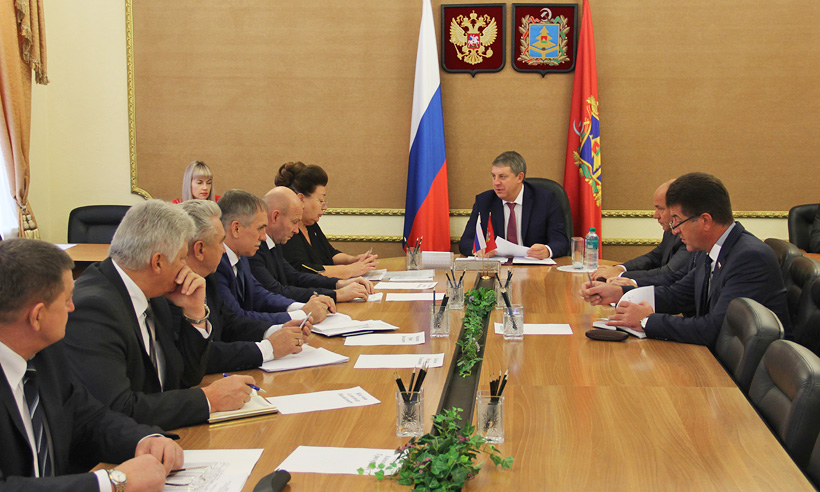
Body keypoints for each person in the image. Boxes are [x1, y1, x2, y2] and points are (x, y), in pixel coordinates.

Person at [0, 238, 184, 492]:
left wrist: (145, 439)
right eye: (66, 299)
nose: (72, 307)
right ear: (37, 316)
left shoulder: (45, 353)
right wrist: (112, 482)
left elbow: (88, 419)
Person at [64, 200, 255, 431]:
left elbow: (188, 376)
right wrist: (208, 400)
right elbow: (119, 409)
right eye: (182, 258)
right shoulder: (95, 310)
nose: (186, 268)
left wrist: (194, 313)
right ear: (157, 263)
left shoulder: (155, 293)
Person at [580, 172, 790, 348]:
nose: (675, 230)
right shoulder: (709, 249)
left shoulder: (749, 257)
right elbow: (680, 294)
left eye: (678, 221)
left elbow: (715, 329)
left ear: (705, 221)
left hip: (742, 376)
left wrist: (646, 320)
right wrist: (619, 292)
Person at [179, 199, 312, 373]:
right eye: (220, 242)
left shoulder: (207, 278)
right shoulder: (172, 291)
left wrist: (276, 330)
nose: (224, 250)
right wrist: (268, 348)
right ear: (199, 250)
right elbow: (200, 356)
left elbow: (230, 323)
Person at [216, 189, 334, 325]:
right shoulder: (217, 264)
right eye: (260, 228)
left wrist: (302, 308)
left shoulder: (241, 256)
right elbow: (236, 319)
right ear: (236, 229)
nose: (263, 237)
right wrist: (302, 314)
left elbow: (258, 294)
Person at [250, 187, 374, 303]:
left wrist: (339, 284)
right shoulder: (253, 249)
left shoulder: (273, 243)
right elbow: (276, 291)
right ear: (275, 216)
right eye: (294, 222)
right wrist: (336, 294)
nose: (296, 230)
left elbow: (295, 277)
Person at [276, 162, 379, 278]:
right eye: (320, 201)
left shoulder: (311, 225)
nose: (324, 207)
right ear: (301, 199)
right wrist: (349, 270)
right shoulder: (287, 231)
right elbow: (303, 270)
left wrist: (353, 260)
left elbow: (330, 253)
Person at [458, 151, 569, 259]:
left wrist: (547, 250)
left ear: (520, 177)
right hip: (497, 266)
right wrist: (478, 249)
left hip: (534, 267)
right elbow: (466, 242)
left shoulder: (545, 199)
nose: (496, 182)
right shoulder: (484, 201)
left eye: (502, 176)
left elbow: (561, 241)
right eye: (493, 176)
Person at [592, 180, 690, 285]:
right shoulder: (670, 229)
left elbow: (669, 273)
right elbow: (653, 257)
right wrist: (620, 268)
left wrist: (619, 275)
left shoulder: (691, 236)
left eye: (661, 209)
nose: (655, 216)